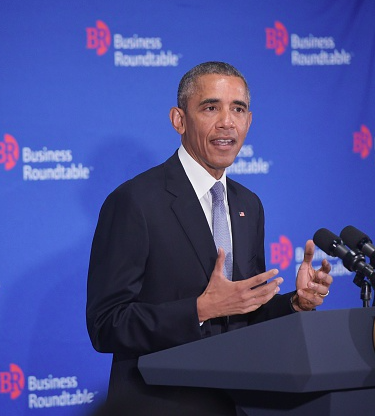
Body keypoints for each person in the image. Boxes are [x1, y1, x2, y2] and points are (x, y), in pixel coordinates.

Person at [86, 61, 333, 415]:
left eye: (238, 109)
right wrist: (201, 308)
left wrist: (295, 303)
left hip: (237, 401)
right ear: (179, 120)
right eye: (211, 107)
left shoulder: (249, 204)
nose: (227, 121)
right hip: (158, 404)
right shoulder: (134, 202)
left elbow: (243, 314)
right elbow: (105, 324)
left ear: (249, 121)